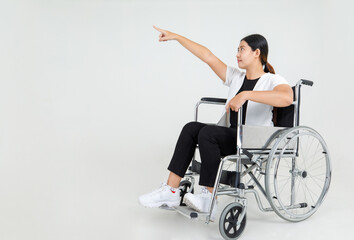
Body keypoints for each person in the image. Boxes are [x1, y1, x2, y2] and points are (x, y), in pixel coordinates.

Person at [139, 26, 293, 219]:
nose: (237, 54)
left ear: (257, 53)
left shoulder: (272, 79)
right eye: (237, 49)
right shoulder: (236, 77)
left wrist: (246, 95)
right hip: (231, 135)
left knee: (208, 133)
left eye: (241, 49)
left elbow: (287, 98)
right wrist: (177, 37)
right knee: (191, 128)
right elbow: (207, 56)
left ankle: (209, 198)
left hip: (253, 140)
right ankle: (170, 191)